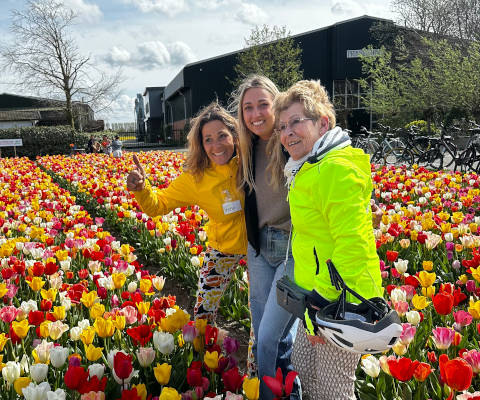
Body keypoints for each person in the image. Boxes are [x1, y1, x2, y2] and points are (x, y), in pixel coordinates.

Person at [269, 80, 384, 399]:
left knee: (333, 388)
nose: (287, 132)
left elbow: (353, 244)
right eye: (282, 126)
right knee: (304, 370)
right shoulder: (307, 168)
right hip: (315, 295)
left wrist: (323, 299)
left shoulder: (334, 169)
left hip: (337, 299)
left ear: (323, 123)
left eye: (296, 122)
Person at [127, 102, 247, 326]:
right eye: (208, 139)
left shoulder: (250, 162)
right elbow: (157, 206)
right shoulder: (196, 178)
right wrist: (142, 189)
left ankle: (258, 360)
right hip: (223, 247)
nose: (216, 145)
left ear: (235, 135)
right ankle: (206, 355)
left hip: (259, 248)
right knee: (203, 311)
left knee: (260, 313)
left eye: (222, 136)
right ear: (201, 145)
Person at [233, 75, 298, 400]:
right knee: (268, 336)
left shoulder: (292, 140)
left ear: (277, 103)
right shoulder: (244, 148)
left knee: (270, 339)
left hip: (293, 251)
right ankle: (290, 392)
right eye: (248, 107)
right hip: (259, 248)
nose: (256, 113)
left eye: (263, 104)